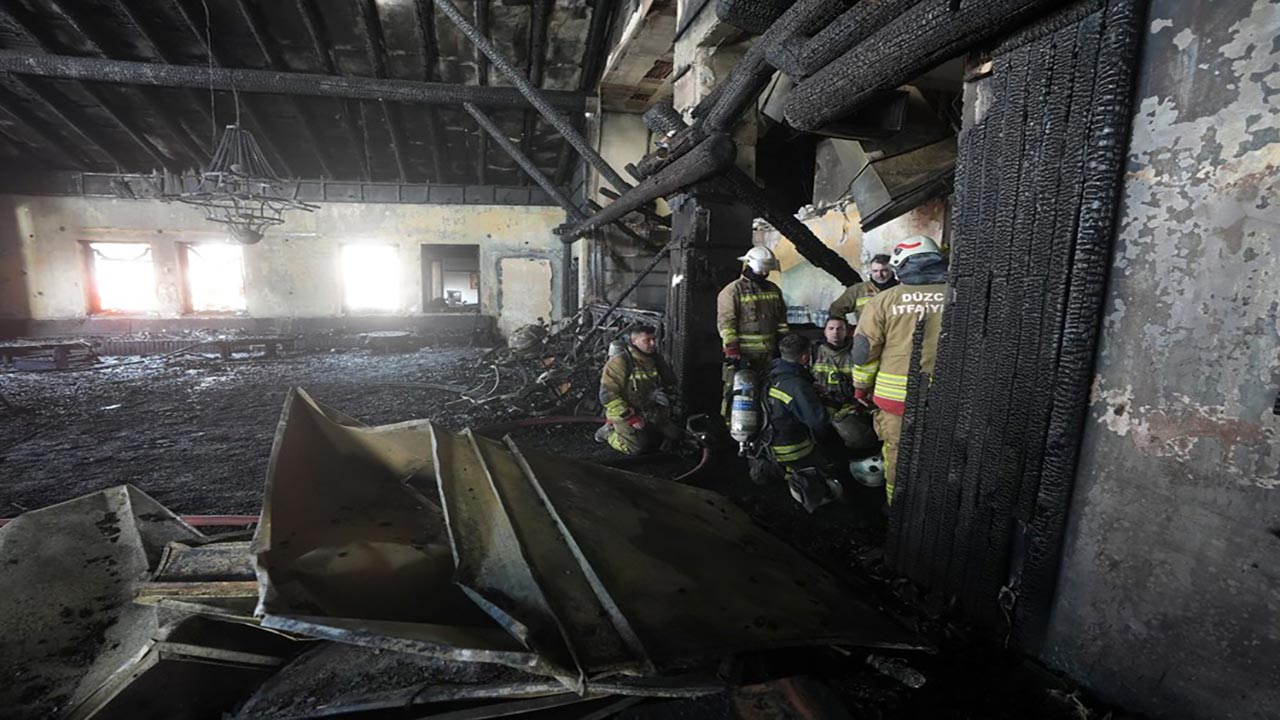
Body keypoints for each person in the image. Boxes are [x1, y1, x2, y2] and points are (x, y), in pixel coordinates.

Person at [850, 236, 948, 503]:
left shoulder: (883, 300)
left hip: (896, 402)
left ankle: (899, 509)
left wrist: (861, 388)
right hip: (950, 400)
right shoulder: (959, 297)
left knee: (898, 455)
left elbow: (864, 353)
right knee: (942, 455)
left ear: (901, 265)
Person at [764, 333, 843, 512]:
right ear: (805, 358)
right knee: (833, 469)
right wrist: (831, 405)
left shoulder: (771, 374)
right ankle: (815, 503)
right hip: (793, 449)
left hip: (767, 444)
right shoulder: (796, 385)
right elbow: (818, 422)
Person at [717, 246, 789, 412]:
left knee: (768, 394)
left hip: (770, 355)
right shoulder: (732, 291)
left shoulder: (774, 289)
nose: (764, 274)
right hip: (743, 356)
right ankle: (728, 424)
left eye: (767, 270)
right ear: (749, 265)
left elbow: (782, 322)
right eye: (761, 270)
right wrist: (733, 351)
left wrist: (784, 346)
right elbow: (726, 323)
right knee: (736, 394)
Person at [596, 325, 680, 455]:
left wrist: (667, 399)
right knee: (636, 447)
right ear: (634, 341)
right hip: (625, 412)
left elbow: (670, 384)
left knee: (675, 436)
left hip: (649, 410)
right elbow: (608, 396)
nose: (652, 344)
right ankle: (608, 432)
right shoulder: (620, 361)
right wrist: (631, 418)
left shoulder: (655, 359)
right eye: (647, 340)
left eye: (654, 339)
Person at [828, 253, 898, 324]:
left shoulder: (901, 289)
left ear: (892, 270)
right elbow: (836, 309)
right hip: (867, 331)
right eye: (875, 271)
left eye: (884, 271)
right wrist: (845, 327)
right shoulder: (858, 290)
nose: (879, 275)